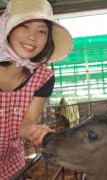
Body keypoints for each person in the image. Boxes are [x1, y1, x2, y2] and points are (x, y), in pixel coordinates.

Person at [0, 0, 73, 179]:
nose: (32, 37)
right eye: (24, 26)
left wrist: (34, 132)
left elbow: (26, 124)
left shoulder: (43, 78)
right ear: (7, 29)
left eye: (41, 31)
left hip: (11, 169)